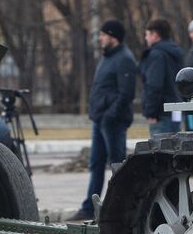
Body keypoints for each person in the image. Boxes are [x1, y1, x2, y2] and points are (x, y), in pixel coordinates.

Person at [70, 19, 137, 221]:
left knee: (117, 165)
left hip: (113, 121)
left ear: (112, 36)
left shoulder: (124, 58)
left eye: (103, 35)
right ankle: (89, 208)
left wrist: (109, 115)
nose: (99, 38)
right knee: (96, 164)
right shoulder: (107, 57)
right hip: (100, 120)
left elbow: (126, 94)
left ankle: (121, 207)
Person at [139, 18, 183, 137]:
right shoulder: (175, 52)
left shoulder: (156, 54)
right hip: (176, 109)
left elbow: (154, 85)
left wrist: (151, 113)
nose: (146, 38)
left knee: (160, 151)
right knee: (175, 148)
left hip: (161, 113)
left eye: (147, 34)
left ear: (155, 35)